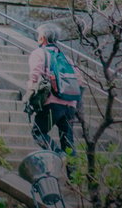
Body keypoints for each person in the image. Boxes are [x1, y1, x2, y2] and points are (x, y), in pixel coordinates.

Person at [25, 23, 81, 158]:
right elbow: (79, 79)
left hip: (51, 104)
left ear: (42, 38)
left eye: (39, 35)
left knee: (38, 132)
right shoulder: (65, 57)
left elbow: (35, 76)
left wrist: (29, 96)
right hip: (70, 105)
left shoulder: (39, 53)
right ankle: (73, 176)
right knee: (68, 141)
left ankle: (58, 155)